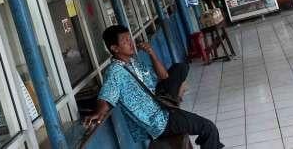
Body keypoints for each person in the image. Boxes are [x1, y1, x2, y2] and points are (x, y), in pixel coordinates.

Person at [84, 25, 223, 149]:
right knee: (208, 128)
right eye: (125, 41)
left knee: (180, 67)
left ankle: (173, 97)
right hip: (158, 121)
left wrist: (151, 53)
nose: (131, 43)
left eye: (130, 39)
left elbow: (163, 77)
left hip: (160, 103)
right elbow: (106, 96)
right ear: (114, 48)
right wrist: (98, 112)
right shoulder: (114, 71)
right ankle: (175, 97)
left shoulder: (133, 62)